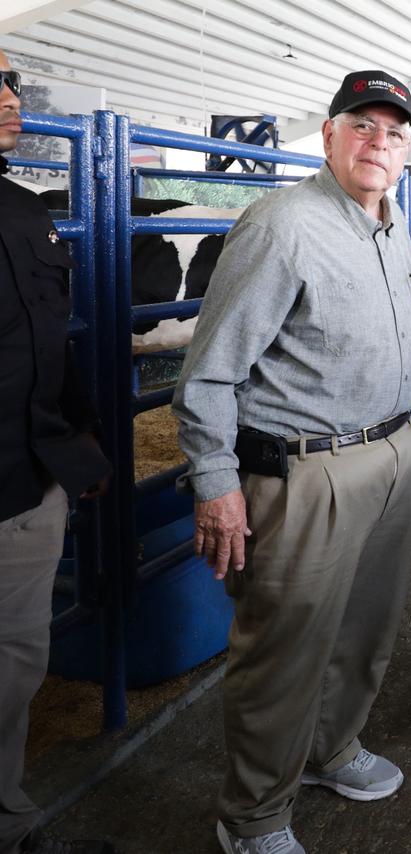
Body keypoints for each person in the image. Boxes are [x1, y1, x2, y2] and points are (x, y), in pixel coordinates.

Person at [173, 70, 411, 854]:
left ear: (406, 148)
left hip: (394, 449)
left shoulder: (394, 223)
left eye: (392, 132)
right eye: (362, 126)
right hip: (309, 466)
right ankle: (252, 817)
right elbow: (210, 369)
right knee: (284, 648)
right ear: (327, 135)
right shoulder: (283, 224)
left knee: (365, 629)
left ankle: (328, 750)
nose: (377, 144)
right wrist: (215, 483)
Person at [0, 51, 116, 854]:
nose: (12, 98)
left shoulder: (24, 210)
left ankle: (8, 822)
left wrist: (83, 443)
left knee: (15, 664)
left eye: (11, 82)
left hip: (26, 484)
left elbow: (53, 344)